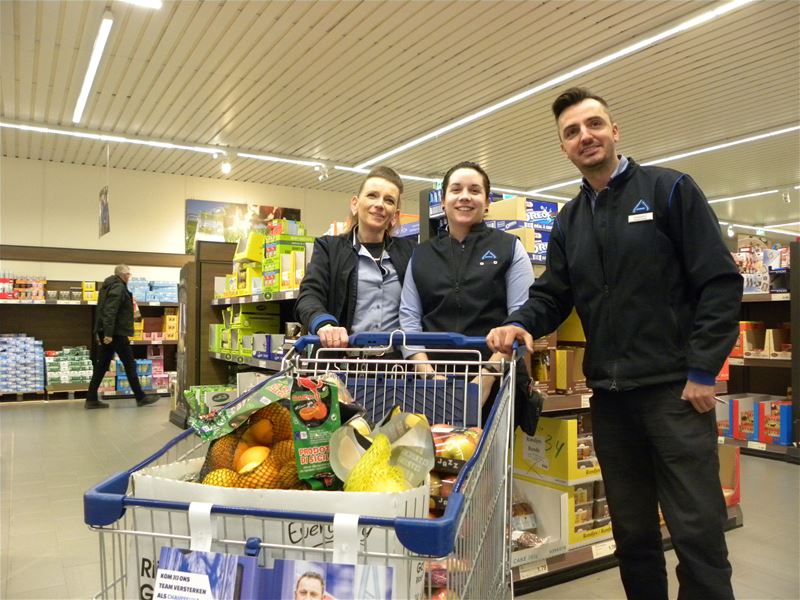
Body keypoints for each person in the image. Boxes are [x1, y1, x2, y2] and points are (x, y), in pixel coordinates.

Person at [487, 87, 742, 600]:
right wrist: (521, 324)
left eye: (594, 124)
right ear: (563, 148)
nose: (586, 136)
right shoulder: (569, 221)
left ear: (615, 130)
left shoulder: (670, 190)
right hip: (611, 401)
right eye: (572, 132)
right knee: (632, 534)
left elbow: (719, 282)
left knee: (697, 530)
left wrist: (701, 371)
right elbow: (553, 294)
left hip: (674, 393)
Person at [399, 161, 536, 428]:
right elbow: (409, 319)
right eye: (456, 189)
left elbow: (521, 317)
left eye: (474, 190)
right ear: (443, 201)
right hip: (433, 386)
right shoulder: (421, 254)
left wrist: (486, 378)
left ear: (486, 202)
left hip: (498, 382)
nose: (464, 196)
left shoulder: (510, 248)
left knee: (490, 467)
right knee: (436, 464)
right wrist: (428, 375)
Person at [295, 166, 415, 348]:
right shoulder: (329, 248)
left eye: (389, 200)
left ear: (395, 215)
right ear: (355, 204)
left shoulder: (410, 252)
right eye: (372, 195)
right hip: (345, 363)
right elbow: (309, 295)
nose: (380, 204)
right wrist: (324, 323)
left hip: (396, 366)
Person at [85, 265, 160, 409]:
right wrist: (108, 334)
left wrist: (105, 332)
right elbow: (110, 311)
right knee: (129, 363)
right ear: (123, 275)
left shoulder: (108, 286)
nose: (129, 277)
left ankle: (91, 398)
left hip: (110, 331)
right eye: (128, 274)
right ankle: (141, 397)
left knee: (102, 365)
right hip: (116, 333)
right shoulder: (118, 287)